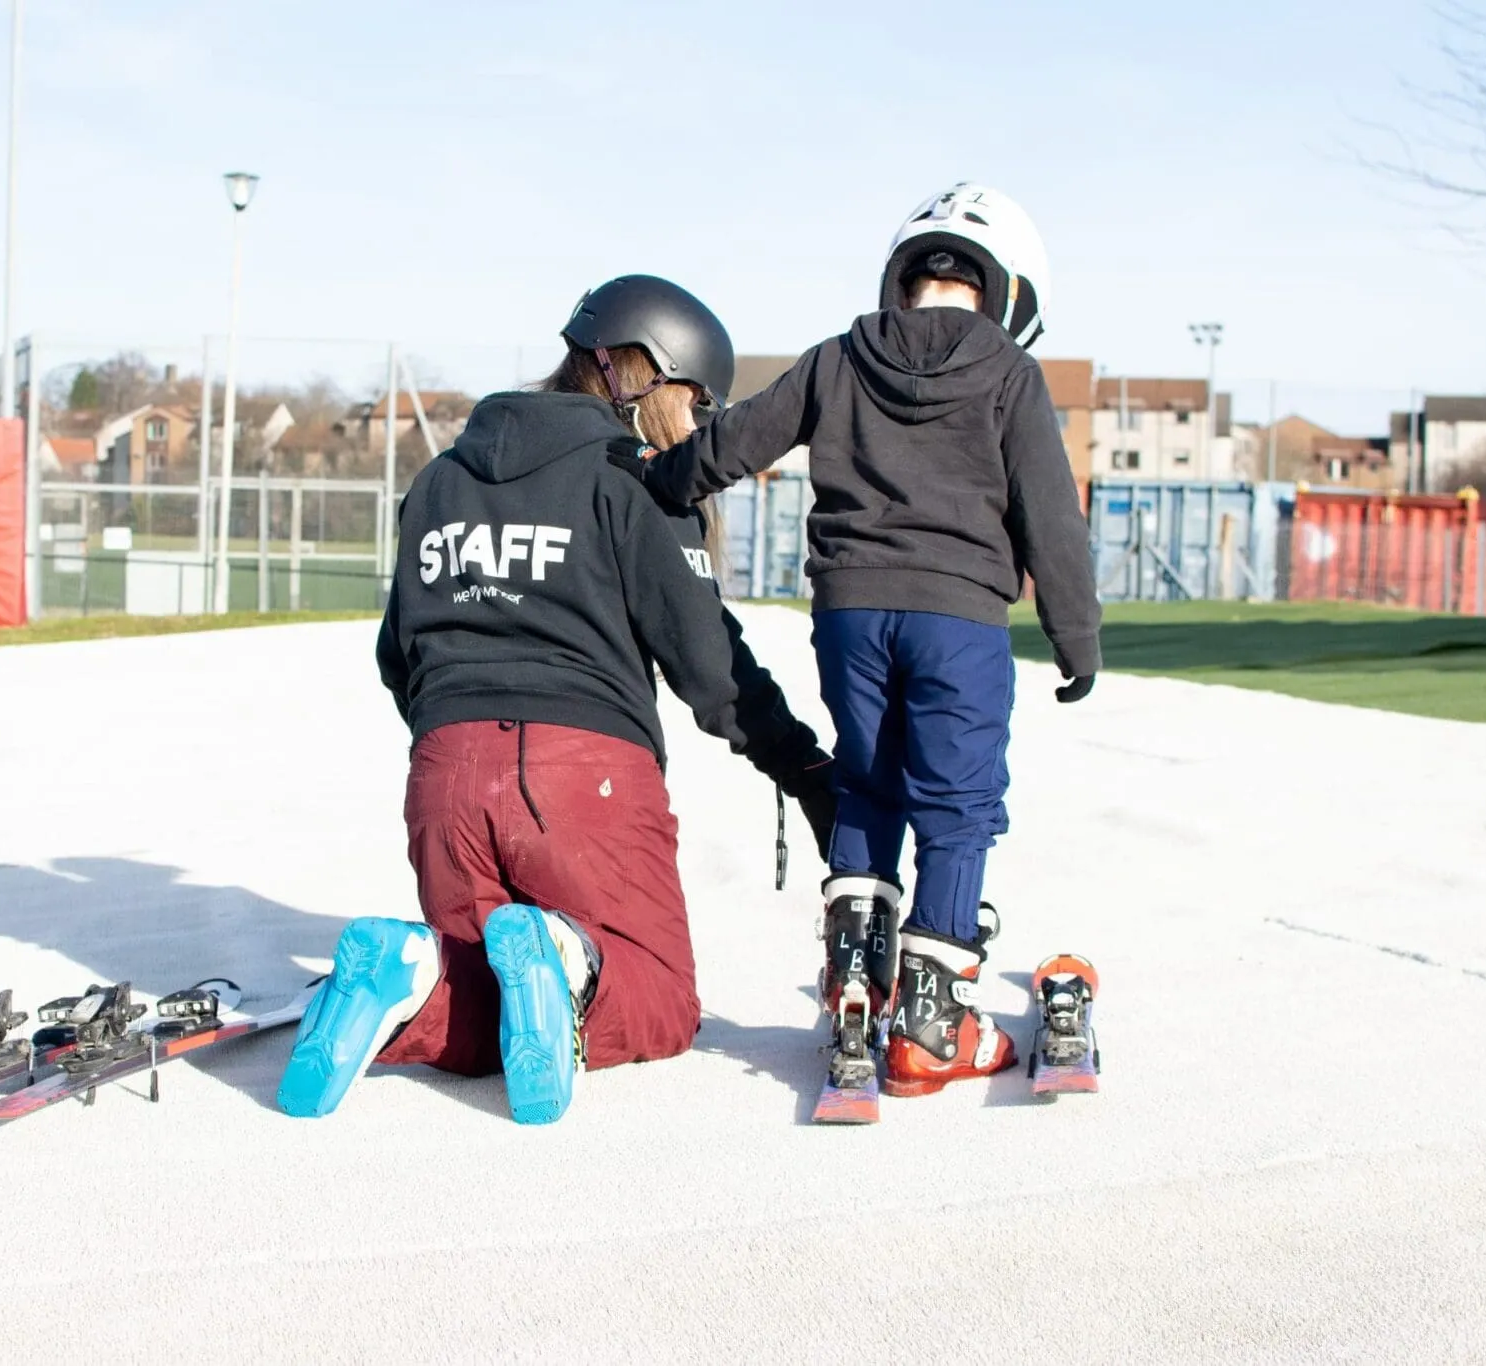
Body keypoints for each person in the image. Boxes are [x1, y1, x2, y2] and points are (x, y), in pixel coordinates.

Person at [276, 275, 836, 1125]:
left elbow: (400, 656)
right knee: (654, 995)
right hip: (585, 773)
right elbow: (710, 666)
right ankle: (571, 958)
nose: (695, 425)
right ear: (635, 370)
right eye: (693, 400)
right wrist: (804, 768)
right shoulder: (632, 478)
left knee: (481, 1009)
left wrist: (460, 749)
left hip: (445, 771)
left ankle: (414, 976)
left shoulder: (438, 480)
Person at [631, 184, 1102, 1096]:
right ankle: (930, 1025)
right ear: (1005, 289)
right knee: (957, 806)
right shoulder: (1010, 373)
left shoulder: (839, 357)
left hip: (849, 612)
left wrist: (657, 476)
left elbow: (734, 443)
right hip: (959, 617)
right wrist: (1075, 636)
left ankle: (854, 982)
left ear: (905, 272)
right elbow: (1051, 514)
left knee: (869, 780)